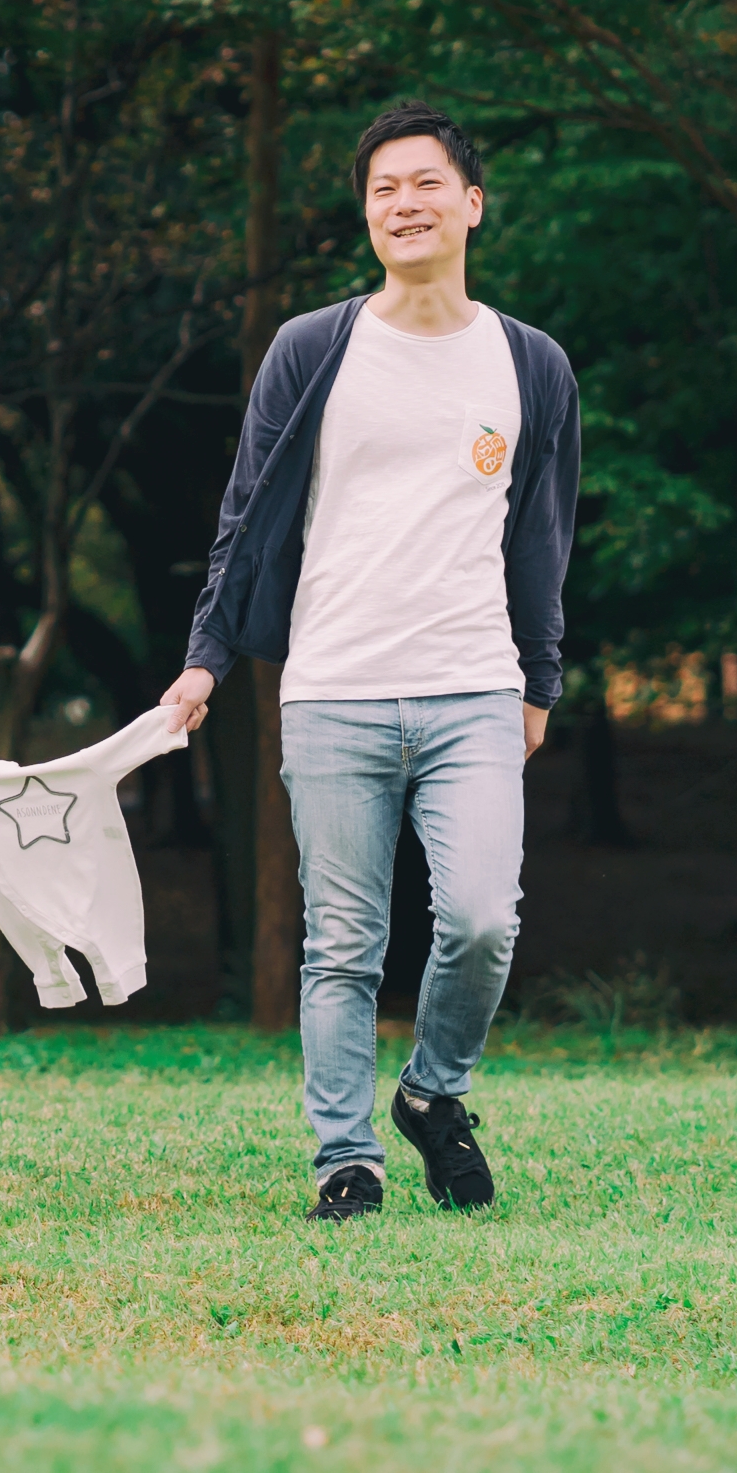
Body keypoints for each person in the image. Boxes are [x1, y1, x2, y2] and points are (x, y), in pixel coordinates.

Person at [161, 103, 579, 1221]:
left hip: (473, 685)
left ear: (471, 204)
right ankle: (346, 1159)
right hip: (334, 686)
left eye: (427, 183)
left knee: (485, 916)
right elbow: (245, 519)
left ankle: (434, 1096)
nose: (405, 202)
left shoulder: (528, 363)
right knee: (341, 943)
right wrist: (205, 659)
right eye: (385, 188)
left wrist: (539, 679)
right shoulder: (314, 348)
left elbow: (541, 535)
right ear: (366, 214)